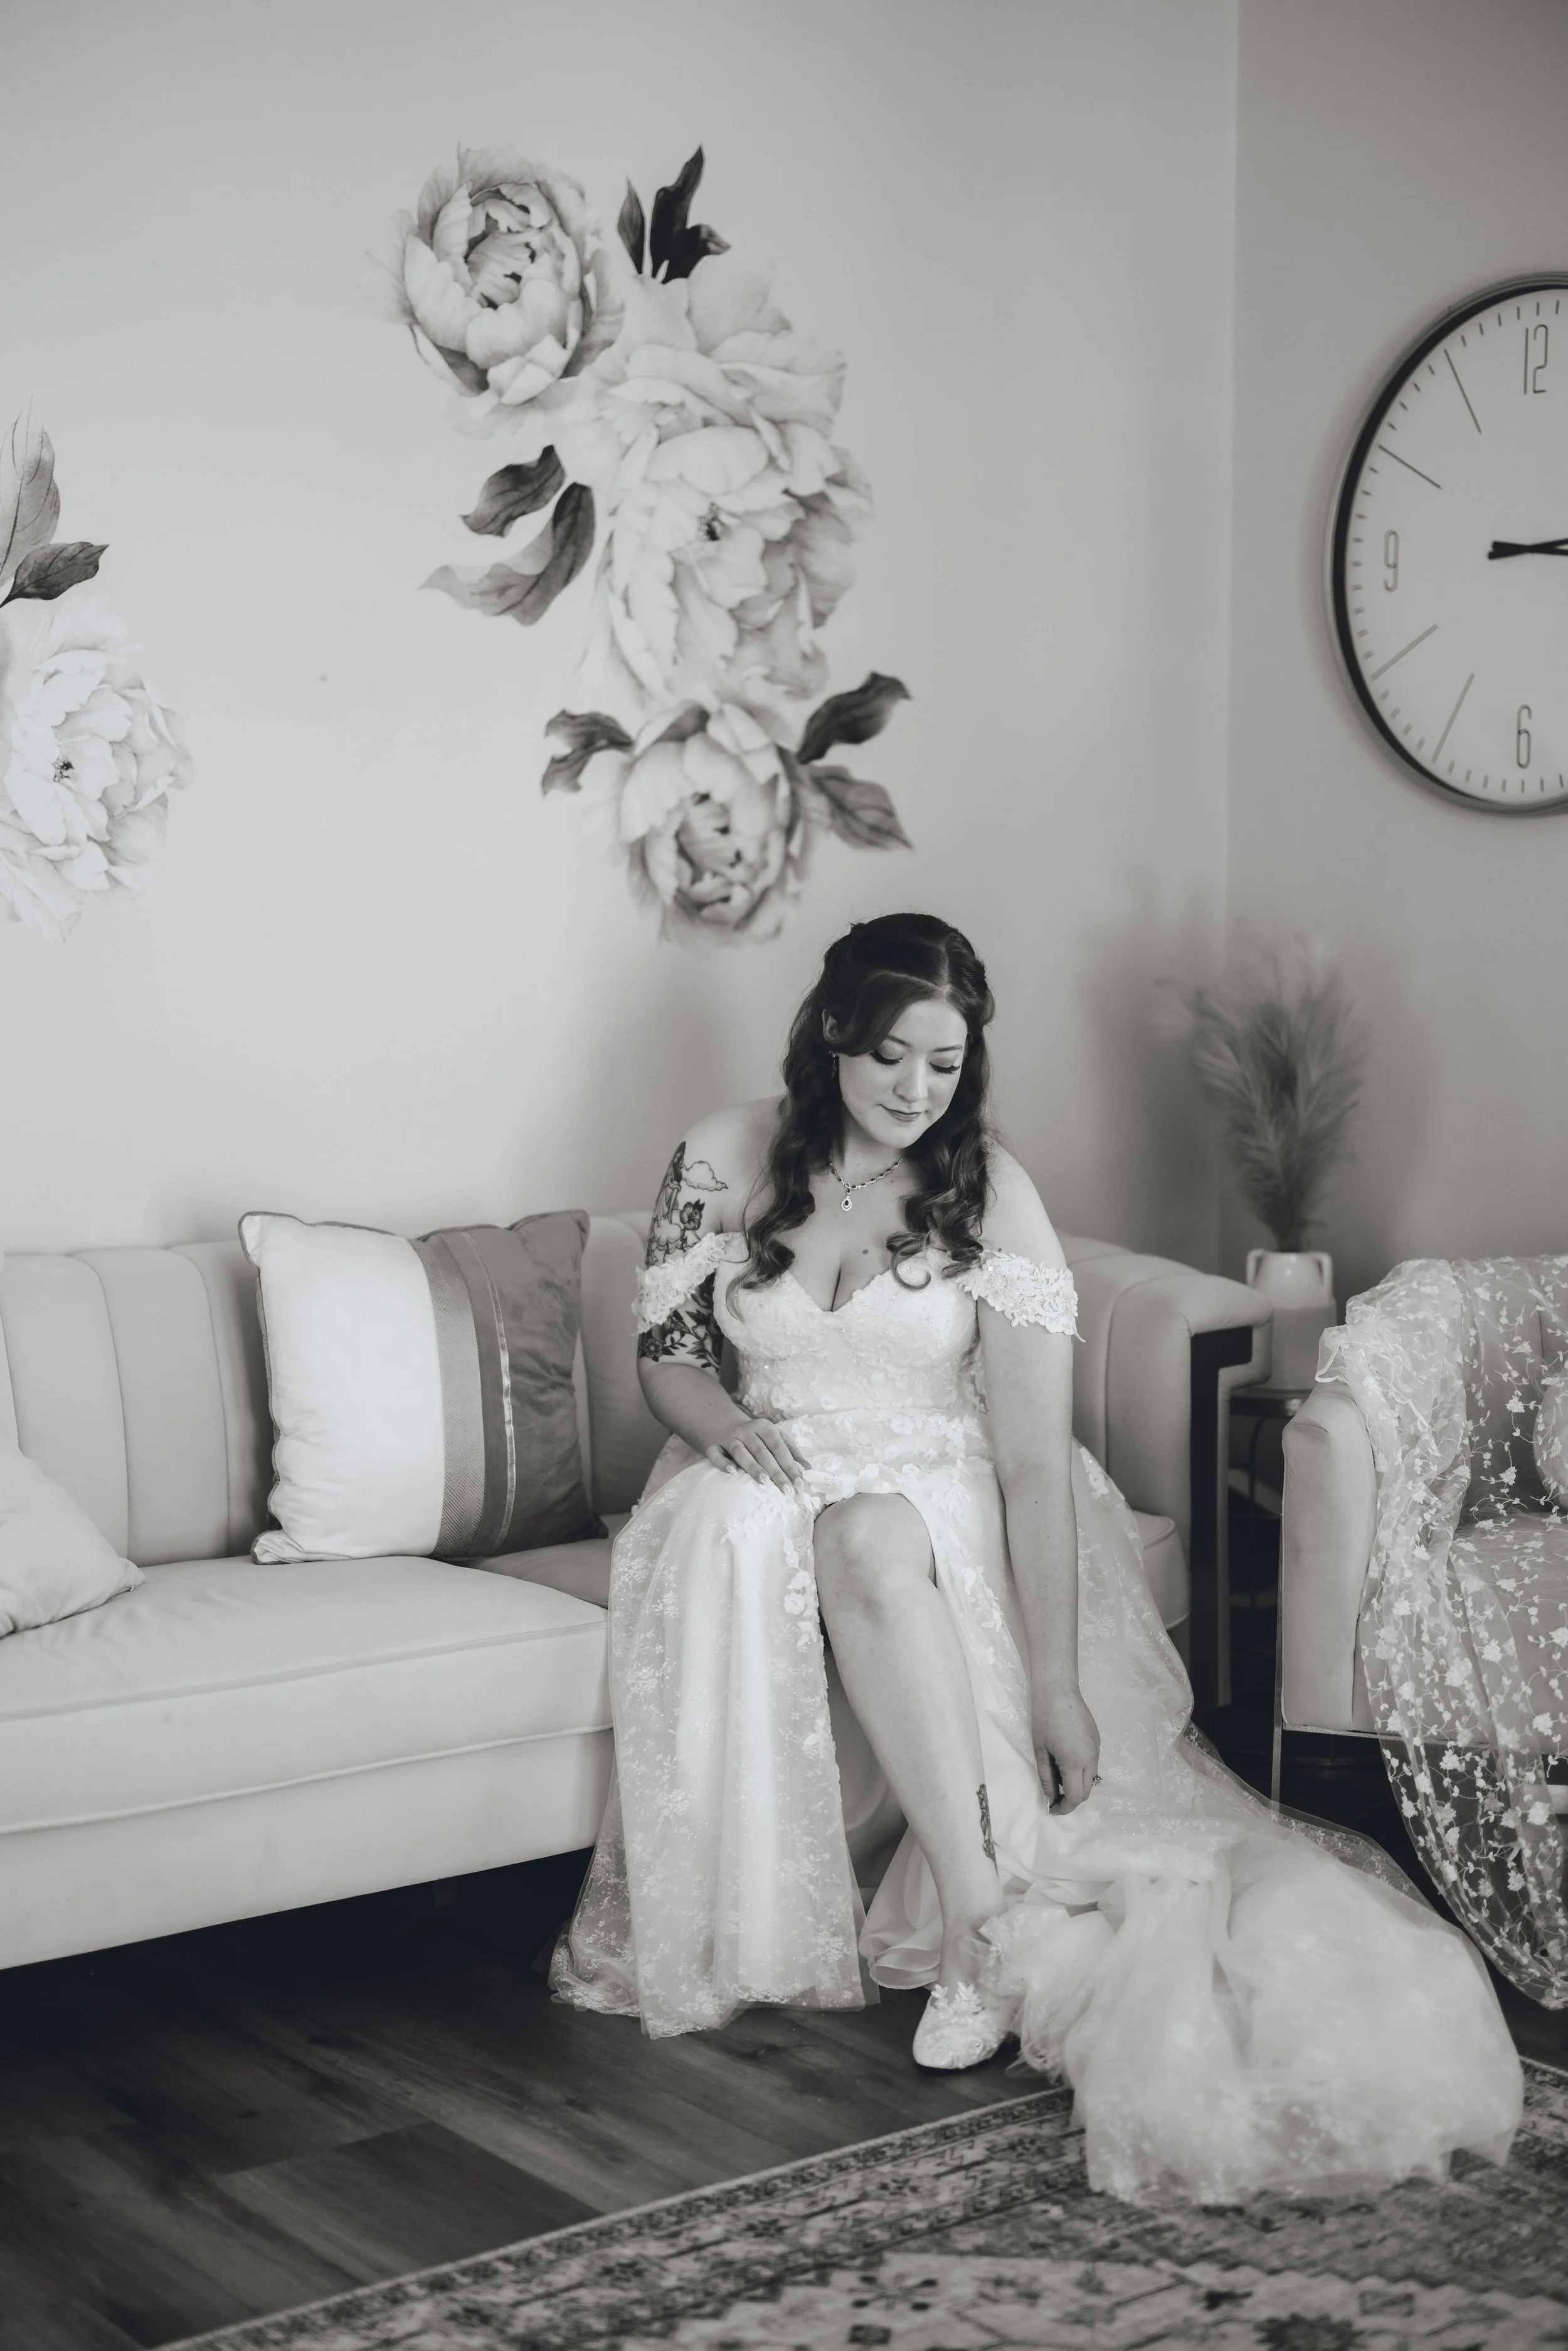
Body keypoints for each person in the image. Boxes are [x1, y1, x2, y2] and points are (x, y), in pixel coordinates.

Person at [553, 913, 1523, 2204]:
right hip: (760, 1468)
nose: (913, 1090)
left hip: (938, 1489)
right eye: (890, 1055)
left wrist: (1058, 1683)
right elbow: (667, 1355)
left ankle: (974, 1930)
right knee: (786, 1521)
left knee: (872, 1529)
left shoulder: (988, 1191)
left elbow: (1025, 1459)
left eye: (944, 1064)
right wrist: (726, 1426)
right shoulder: (720, 1155)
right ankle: (980, 1922)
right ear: (831, 1032)